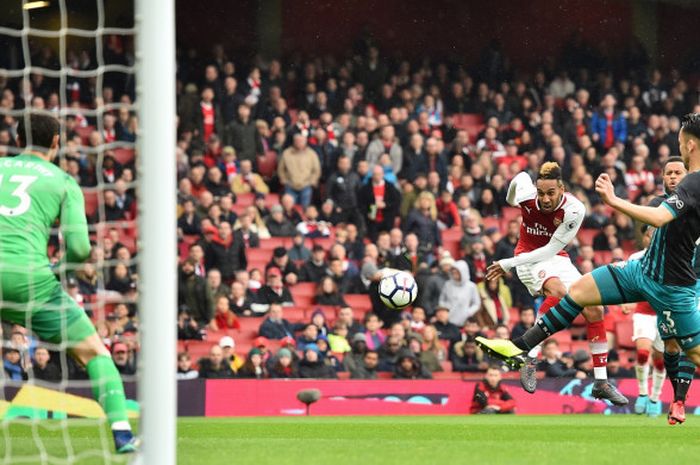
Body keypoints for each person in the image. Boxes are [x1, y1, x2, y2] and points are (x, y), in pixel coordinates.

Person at [478, 113, 700, 425]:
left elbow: (660, 218)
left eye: (679, 142)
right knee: (580, 291)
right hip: (643, 271)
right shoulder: (689, 183)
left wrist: (613, 200)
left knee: (694, 354)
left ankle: (676, 399)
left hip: (672, 285)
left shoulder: (696, 181)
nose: (677, 146)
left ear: (689, 145)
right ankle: (518, 347)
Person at [0, 114, 137, 452]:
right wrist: (59, 271)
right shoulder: (63, 181)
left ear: (17, 140)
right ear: (57, 142)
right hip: (31, 281)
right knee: (94, 352)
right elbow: (79, 248)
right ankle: (121, 434)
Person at [482, 162, 620, 403]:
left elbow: (552, 249)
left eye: (551, 193)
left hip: (554, 256)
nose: (545, 199)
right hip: (526, 260)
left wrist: (506, 264)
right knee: (557, 290)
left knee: (594, 307)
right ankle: (530, 357)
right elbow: (516, 185)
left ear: (562, 189)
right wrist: (513, 200)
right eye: (541, 193)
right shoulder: (527, 195)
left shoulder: (574, 209)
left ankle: (600, 381)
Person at [277, 133, 321, 207]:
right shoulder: (287, 153)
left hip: (306, 185)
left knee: (305, 208)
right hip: (290, 185)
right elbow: (281, 169)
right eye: (297, 141)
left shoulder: (312, 154)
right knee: (289, 208)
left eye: (301, 141)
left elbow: (316, 170)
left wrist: (312, 181)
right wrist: (283, 180)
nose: (299, 143)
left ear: (305, 141)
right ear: (294, 142)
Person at [438, 260, 481, 327]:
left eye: (457, 272)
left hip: (464, 319)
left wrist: (468, 312)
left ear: (463, 272)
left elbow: (476, 304)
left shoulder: (471, 286)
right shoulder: (448, 284)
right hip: (449, 319)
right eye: (453, 272)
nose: (454, 274)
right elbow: (441, 300)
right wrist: (445, 308)